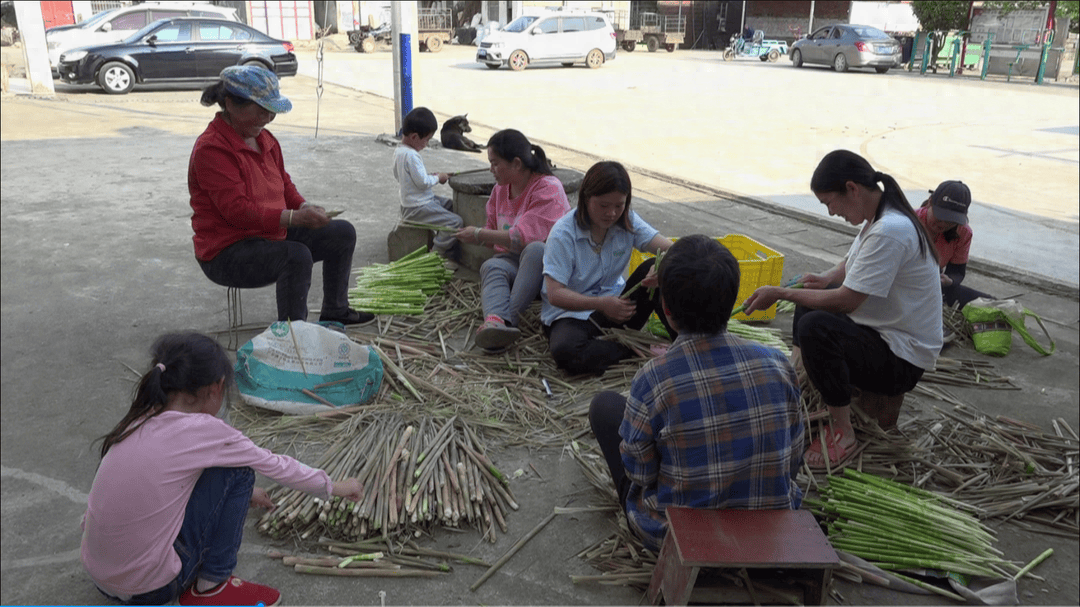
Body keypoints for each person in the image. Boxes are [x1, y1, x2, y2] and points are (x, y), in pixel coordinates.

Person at [81, 332, 364, 606]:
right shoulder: (205, 429)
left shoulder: (140, 416)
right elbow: (276, 465)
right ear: (216, 387)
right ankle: (213, 585)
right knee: (238, 469)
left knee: (218, 468)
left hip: (102, 576)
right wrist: (336, 487)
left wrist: (242, 495)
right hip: (151, 589)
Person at [588, 235, 805, 552]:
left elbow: (640, 471)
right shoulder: (776, 363)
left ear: (666, 309)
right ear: (732, 302)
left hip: (680, 536)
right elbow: (793, 456)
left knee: (604, 406)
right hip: (769, 520)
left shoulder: (654, 378)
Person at [744, 150, 943, 468]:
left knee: (815, 327)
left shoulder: (891, 230)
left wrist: (780, 293)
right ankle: (798, 381)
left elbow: (846, 301)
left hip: (902, 358)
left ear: (852, 189)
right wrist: (824, 278)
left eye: (829, 203)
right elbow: (850, 265)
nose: (831, 212)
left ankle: (843, 430)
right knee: (809, 294)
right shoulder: (879, 219)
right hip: (882, 335)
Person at [190, 65, 373, 326]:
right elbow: (237, 211)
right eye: (260, 110)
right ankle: (293, 338)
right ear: (230, 104)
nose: (266, 118)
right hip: (227, 251)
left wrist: (304, 205)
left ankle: (336, 310)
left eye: (270, 111)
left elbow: (283, 184)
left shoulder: (264, 139)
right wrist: (296, 218)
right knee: (295, 255)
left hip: (269, 234)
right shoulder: (212, 149)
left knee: (342, 233)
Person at [541, 161, 674, 376]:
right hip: (573, 313)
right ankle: (637, 349)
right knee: (566, 351)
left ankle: (685, 345)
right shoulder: (563, 234)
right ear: (586, 198)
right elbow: (555, 294)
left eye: (619, 205)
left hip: (619, 307)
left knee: (665, 266)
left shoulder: (627, 219)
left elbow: (671, 249)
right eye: (603, 206)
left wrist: (661, 267)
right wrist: (602, 304)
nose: (612, 213)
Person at [455, 129, 570, 352]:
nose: (491, 170)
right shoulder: (500, 191)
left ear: (516, 164)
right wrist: (469, 234)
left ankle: (507, 321)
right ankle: (495, 321)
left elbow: (520, 238)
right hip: (515, 266)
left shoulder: (548, 188)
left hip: (550, 271)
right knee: (492, 264)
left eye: (495, 163)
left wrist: (478, 234)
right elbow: (493, 237)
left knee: (536, 249)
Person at [394, 107, 462, 264]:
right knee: (455, 222)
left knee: (453, 206)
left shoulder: (399, 151)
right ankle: (436, 253)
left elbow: (399, 175)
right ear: (414, 137)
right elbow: (424, 183)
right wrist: (438, 178)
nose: (427, 144)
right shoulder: (412, 155)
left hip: (415, 202)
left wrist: (429, 176)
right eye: (427, 140)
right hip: (417, 207)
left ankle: (444, 241)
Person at [917, 180, 991, 308]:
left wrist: (949, 281)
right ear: (930, 203)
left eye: (951, 221)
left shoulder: (963, 232)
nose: (943, 225)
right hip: (903, 281)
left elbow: (957, 271)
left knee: (991, 304)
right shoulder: (909, 221)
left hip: (933, 282)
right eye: (940, 217)